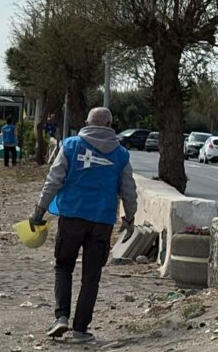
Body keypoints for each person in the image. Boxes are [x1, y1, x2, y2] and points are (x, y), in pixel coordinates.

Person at [29, 107, 137, 343]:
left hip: (72, 217)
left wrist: (40, 210)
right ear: (110, 124)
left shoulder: (70, 145)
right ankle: (80, 330)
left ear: (87, 122)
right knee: (91, 276)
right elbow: (128, 189)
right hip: (102, 221)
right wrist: (129, 218)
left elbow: (54, 179)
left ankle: (61, 317)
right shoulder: (120, 154)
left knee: (63, 266)